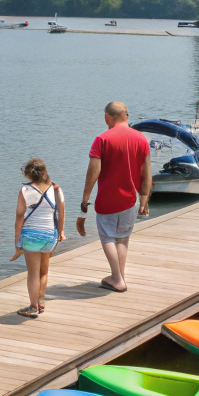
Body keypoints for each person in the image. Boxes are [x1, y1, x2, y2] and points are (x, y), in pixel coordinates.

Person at [80, 101, 151, 293]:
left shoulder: (102, 139)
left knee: (108, 237)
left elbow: (93, 171)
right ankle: (119, 275)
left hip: (107, 199)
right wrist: (144, 197)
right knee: (122, 238)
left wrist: (85, 198)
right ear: (126, 115)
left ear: (107, 117)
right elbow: (146, 172)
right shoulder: (141, 139)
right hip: (130, 199)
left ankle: (117, 278)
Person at [11, 158, 65, 318]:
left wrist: (17, 240)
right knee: (44, 271)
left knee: (33, 273)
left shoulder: (25, 191)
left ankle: (33, 307)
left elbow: (20, 216)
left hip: (31, 237)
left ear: (29, 174)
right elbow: (61, 213)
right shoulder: (56, 189)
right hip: (50, 236)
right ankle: (40, 300)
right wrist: (61, 232)